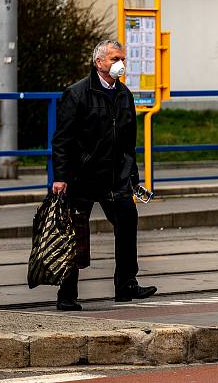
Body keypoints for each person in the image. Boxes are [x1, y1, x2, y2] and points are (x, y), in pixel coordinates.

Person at [51, 40, 157, 311]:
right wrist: (61, 176)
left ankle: (126, 285)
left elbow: (128, 142)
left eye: (122, 58)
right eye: (114, 58)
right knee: (73, 233)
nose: (119, 63)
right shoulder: (76, 94)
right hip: (81, 177)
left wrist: (132, 177)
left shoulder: (124, 95)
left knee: (127, 221)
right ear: (98, 62)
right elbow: (62, 140)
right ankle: (67, 294)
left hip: (114, 178)